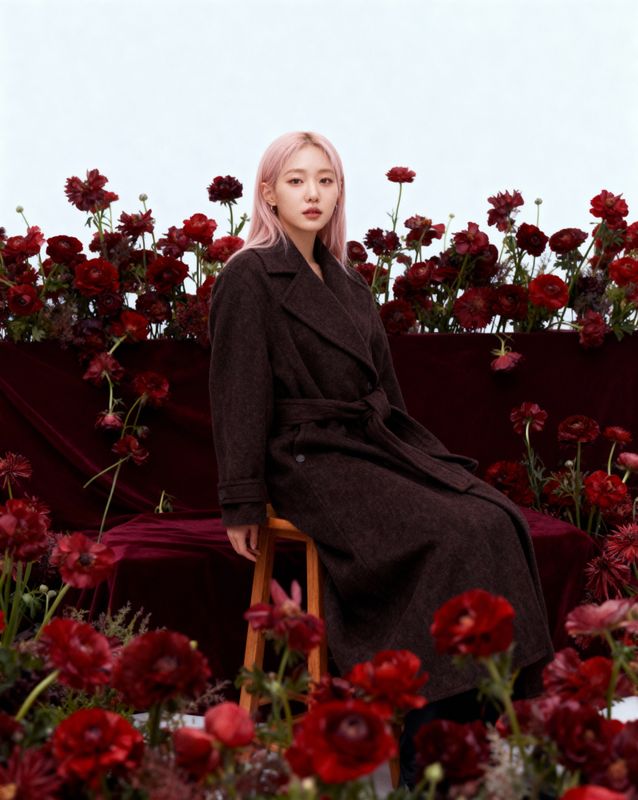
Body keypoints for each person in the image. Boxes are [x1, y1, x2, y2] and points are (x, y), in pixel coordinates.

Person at [207, 131, 554, 786]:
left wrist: (420, 460)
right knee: (447, 535)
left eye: (326, 180)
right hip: (306, 456)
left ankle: (475, 722)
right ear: (268, 194)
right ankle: (426, 737)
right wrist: (241, 499)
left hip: (369, 443)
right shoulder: (249, 277)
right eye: (297, 180)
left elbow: (386, 395)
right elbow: (237, 393)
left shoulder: (345, 280)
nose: (313, 193)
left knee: (493, 518)